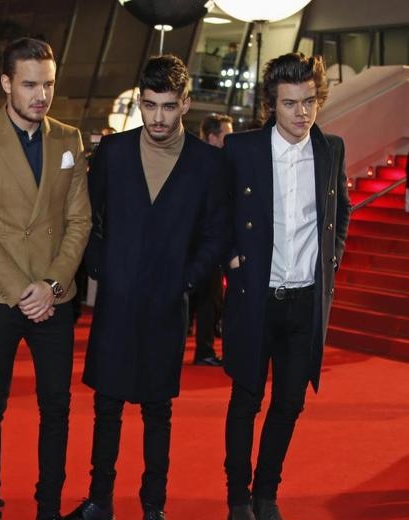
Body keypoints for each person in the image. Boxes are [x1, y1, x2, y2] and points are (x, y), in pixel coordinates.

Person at [64, 55, 227, 520]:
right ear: (139, 101)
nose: (157, 117)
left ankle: (153, 506)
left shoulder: (206, 165)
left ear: (186, 105)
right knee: (107, 408)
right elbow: (87, 218)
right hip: (116, 303)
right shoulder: (114, 154)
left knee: (159, 412)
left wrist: (187, 278)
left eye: (168, 107)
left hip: (168, 304)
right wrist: (101, 268)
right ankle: (100, 501)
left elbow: (216, 234)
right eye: (149, 105)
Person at [0, 37, 91, 520]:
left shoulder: (68, 138)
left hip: (55, 295)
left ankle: (48, 509)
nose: (41, 94)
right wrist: (23, 291)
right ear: (7, 83)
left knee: (57, 408)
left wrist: (51, 285)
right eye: (30, 84)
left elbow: (80, 222)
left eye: (49, 84)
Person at [222, 53, 351, 520]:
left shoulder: (331, 148)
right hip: (256, 301)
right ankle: (238, 495)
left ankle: (265, 492)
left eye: (310, 101)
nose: (302, 113)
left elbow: (342, 213)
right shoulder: (242, 149)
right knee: (246, 398)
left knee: (290, 402)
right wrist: (230, 256)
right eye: (290, 103)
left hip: (305, 303)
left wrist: (331, 259)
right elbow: (217, 212)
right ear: (270, 105)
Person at [188, 113, 234, 366]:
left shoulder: (194, 159)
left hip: (200, 242)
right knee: (209, 299)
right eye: (227, 135)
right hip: (206, 243)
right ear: (214, 137)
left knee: (202, 298)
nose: (232, 140)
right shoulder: (212, 164)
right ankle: (204, 351)